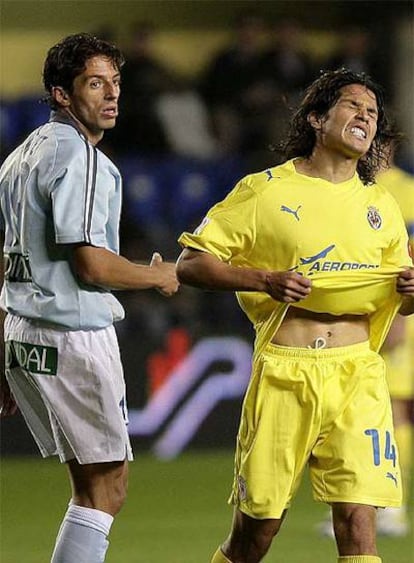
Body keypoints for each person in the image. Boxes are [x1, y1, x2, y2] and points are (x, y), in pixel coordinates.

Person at [176, 68, 414, 563]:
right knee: (256, 533)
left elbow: (399, 294)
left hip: (357, 375)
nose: (365, 118)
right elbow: (192, 264)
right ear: (317, 118)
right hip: (287, 372)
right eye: (353, 106)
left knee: (358, 527)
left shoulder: (382, 205)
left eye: (372, 113)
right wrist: (265, 280)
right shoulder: (264, 192)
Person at [0, 33, 178, 563]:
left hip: (22, 331)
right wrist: (159, 277)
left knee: (88, 486)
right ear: (61, 94)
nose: (111, 95)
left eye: (115, 83)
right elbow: (91, 263)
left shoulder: (19, 157)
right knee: (108, 489)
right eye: (95, 83)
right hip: (71, 334)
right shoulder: (79, 158)